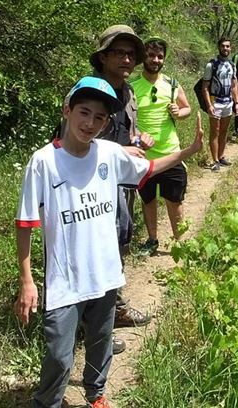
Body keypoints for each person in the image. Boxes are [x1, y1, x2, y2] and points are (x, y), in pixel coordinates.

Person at [15, 76, 203, 408]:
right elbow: (26, 224)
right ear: (67, 110)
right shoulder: (43, 162)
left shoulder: (109, 153)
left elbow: (148, 168)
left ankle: (96, 393)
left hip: (104, 274)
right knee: (60, 355)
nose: (90, 123)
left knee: (101, 341)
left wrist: (187, 151)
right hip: (65, 281)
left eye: (99, 118)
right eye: (84, 112)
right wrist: (27, 280)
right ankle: (47, 402)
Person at [88, 25, 152, 345]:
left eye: (131, 54)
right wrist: (118, 151)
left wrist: (140, 140)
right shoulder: (90, 92)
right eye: (120, 52)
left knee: (118, 246)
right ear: (103, 56)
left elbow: (128, 135)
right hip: (91, 188)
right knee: (98, 253)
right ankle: (96, 327)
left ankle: (113, 308)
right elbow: (73, 143)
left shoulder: (128, 91)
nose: (128, 59)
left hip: (120, 185)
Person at [132, 37, 192, 256]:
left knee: (174, 200)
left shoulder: (172, 84)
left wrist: (179, 111)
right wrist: (137, 136)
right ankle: (152, 240)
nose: (155, 60)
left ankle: (180, 243)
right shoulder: (132, 87)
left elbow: (187, 109)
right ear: (143, 58)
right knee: (148, 199)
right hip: (143, 156)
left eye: (159, 56)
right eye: (151, 55)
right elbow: (126, 121)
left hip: (171, 153)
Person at [202, 37, 238, 171]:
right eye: (223, 46)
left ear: (230, 48)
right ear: (219, 47)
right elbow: (205, 86)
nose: (225, 49)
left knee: (224, 131)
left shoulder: (232, 65)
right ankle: (215, 160)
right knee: (215, 132)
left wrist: (236, 103)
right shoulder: (211, 65)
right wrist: (209, 105)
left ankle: (221, 156)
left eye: (228, 46)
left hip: (228, 102)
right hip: (215, 102)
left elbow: (234, 85)